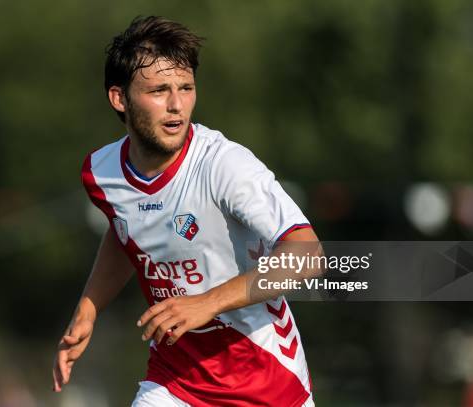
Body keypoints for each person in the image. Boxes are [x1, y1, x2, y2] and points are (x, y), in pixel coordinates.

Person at [52, 15, 320, 406]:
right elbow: (126, 231)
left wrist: (207, 303)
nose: (176, 105)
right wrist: (88, 309)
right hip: (175, 383)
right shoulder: (101, 173)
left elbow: (308, 254)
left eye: (185, 88)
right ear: (119, 98)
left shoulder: (224, 165)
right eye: (159, 90)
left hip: (268, 386)